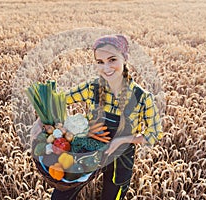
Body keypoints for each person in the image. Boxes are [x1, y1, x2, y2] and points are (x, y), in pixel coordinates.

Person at [31, 34, 163, 200]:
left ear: (125, 58)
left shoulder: (141, 97)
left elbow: (155, 133)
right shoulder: (92, 87)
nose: (106, 67)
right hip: (88, 151)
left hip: (120, 159)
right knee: (60, 197)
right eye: (100, 62)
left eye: (112, 59)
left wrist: (121, 141)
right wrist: (41, 120)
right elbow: (59, 99)